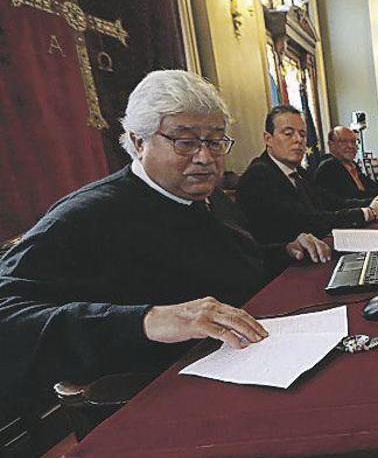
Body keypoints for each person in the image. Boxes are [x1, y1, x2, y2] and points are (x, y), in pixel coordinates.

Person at [0, 71, 331, 394]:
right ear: (138, 141)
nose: (205, 158)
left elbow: (229, 266)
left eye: (215, 142)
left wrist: (285, 250)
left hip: (255, 358)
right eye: (185, 142)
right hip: (160, 391)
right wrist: (147, 320)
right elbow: (8, 316)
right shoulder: (86, 215)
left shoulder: (205, 195)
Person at [237, 105, 378, 243]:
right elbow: (306, 221)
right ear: (268, 138)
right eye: (288, 133)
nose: (298, 140)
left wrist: (374, 203)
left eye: (302, 134)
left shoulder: (298, 171)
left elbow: (331, 202)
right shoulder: (259, 175)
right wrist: (369, 213)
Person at [314, 126, 378, 200]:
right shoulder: (328, 167)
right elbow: (354, 196)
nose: (350, 146)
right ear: (331, 145)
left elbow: (371, 187)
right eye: (343, 141)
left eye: (353, 142)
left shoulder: (352, 165)